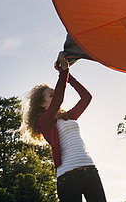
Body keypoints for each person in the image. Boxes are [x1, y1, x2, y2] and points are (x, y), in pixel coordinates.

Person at [23, 52, 107, 201]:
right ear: (42, 104)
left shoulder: (69, 116)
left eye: (54, 94)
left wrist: (69, 77)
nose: (55, 97)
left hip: (90, 170)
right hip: (68, 177)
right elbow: (59, 99)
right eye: (51, 96)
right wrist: (63, 72)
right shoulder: (43, 122)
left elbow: (86, 98)